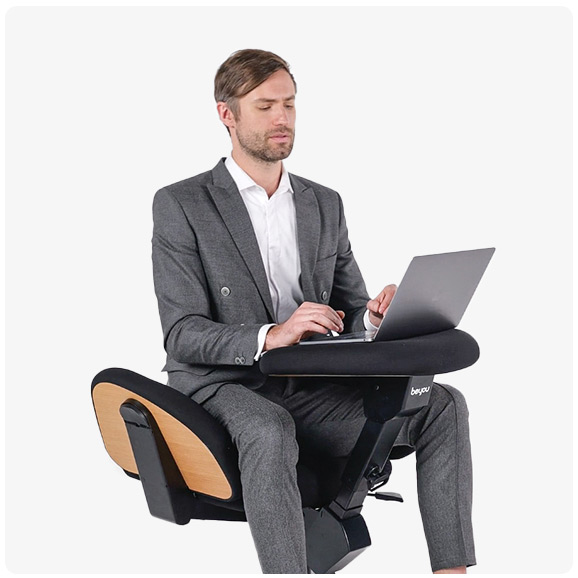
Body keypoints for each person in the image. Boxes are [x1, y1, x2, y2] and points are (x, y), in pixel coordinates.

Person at [152, 48, 475, 574]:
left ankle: (452, 572)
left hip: (309, 381)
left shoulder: (324, 203)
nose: (281, 118)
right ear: (226, 114)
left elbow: (346, 311)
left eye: (289, 104)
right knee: (268, 427)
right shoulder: (182, 204)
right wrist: (272, 334)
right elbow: (182, 334)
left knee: (443, 404)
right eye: (264, 107)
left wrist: (373, 317)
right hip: (224, 384)